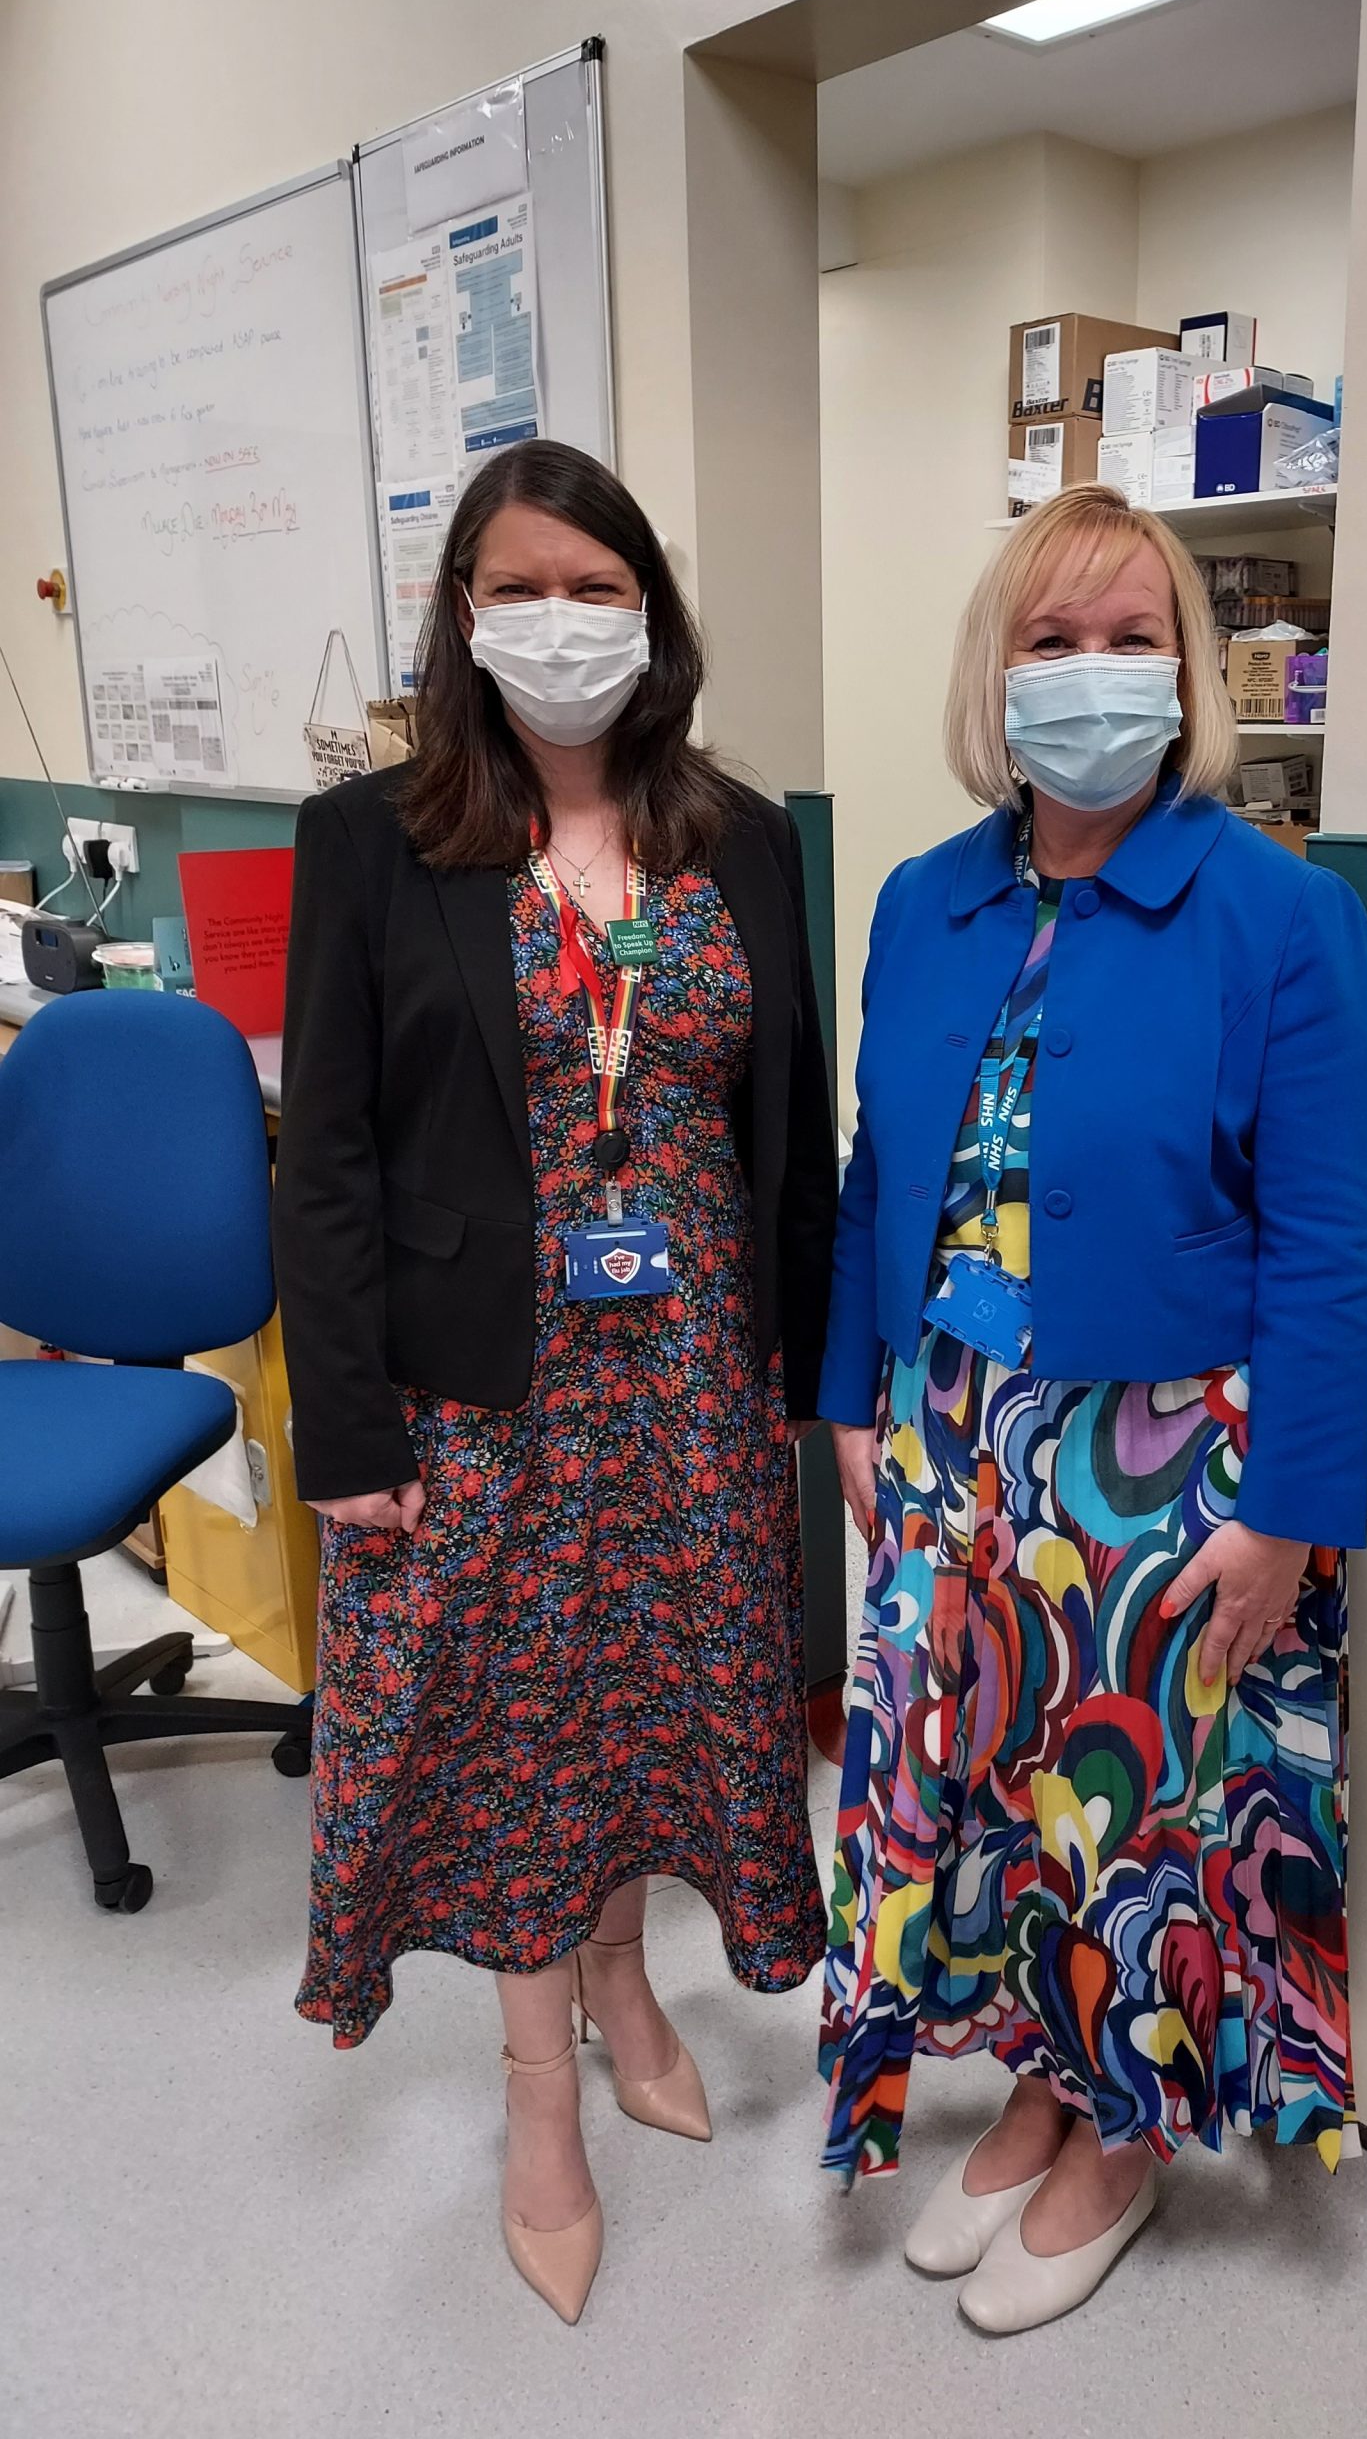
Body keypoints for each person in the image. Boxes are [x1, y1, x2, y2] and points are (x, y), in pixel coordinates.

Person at [816, 483, 1367, 2334]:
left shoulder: (1276, 918)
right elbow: (870, 1170)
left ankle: (1126, 2136)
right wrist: (847, 1398)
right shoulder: (925, 897)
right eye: (1051, 640)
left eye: (1131, 635)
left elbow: (1328, 1239)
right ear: (999, 673)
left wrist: (1289, 1501)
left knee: (1134, 1819)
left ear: (1189, 669)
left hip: (1161, 1462)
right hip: (944, 1431)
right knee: (985, 1790)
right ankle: (1045, 2080)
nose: (1092, 674)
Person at [274, 439, 835, 2325]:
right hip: (475, 1399)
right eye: (523, 588)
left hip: (689, 1392)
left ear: (653, 615)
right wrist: (345, 1432)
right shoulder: (369, 841)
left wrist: (812, 1385)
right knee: (516, 1742)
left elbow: (797, 1138)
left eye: (600, 590)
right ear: (463, 612)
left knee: (649, 1713)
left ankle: (621, 1977)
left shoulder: (743, 837)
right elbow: (327, 1159)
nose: (563, 623)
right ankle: (538, 2097)